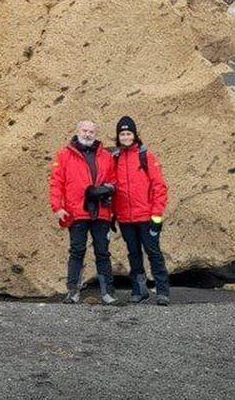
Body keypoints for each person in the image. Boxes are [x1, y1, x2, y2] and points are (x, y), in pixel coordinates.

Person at [50, 120, 117, 304]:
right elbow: (57, 183)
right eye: (85, 130)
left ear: (96, 133)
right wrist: (58, 207)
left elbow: (114, 180)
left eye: (91, 131)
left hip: (101, 210)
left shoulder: (105, 156)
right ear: (78, 131)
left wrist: (107, 189)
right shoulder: (64, 155)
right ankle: (73, 291)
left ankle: (107, 293)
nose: (88, 134)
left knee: (103, 252)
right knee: (77, 251)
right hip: (76, 210)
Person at [111, 116, 170, 305]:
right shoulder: (115, 158)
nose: (126, 137)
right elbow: (112, 187)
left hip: (146, 216)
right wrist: (113, 214)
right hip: (126, 218)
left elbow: (159, 186)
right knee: (133, 254)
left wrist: (157, 214)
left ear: (135, 135)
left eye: (129, 133)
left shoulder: (146, 156)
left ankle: (162, 292)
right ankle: (139, 290)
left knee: (153, 253)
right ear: (118, 137)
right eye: (122, 134)